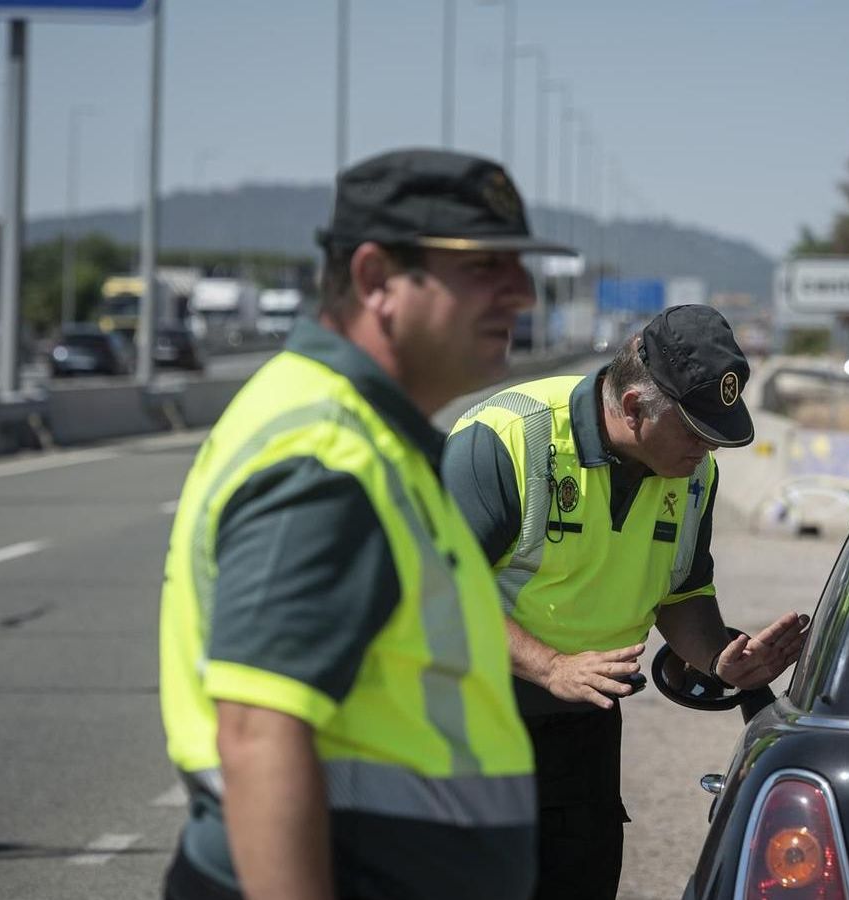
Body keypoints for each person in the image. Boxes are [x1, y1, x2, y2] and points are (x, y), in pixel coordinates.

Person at [157, 148, 576, 900]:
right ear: (376, 280)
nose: (522, 294)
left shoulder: (373, 438)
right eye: (483, 266)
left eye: (518, 266)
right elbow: (259, 729)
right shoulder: (330, 455)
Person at [442, 304, 810, 899]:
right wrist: (551, 666)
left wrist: (721, 659)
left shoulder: (692, 474)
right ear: (634, 407)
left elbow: (682, 591)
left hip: (583, 728)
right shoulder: (508, 440)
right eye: (695, 432)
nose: (706, 452)